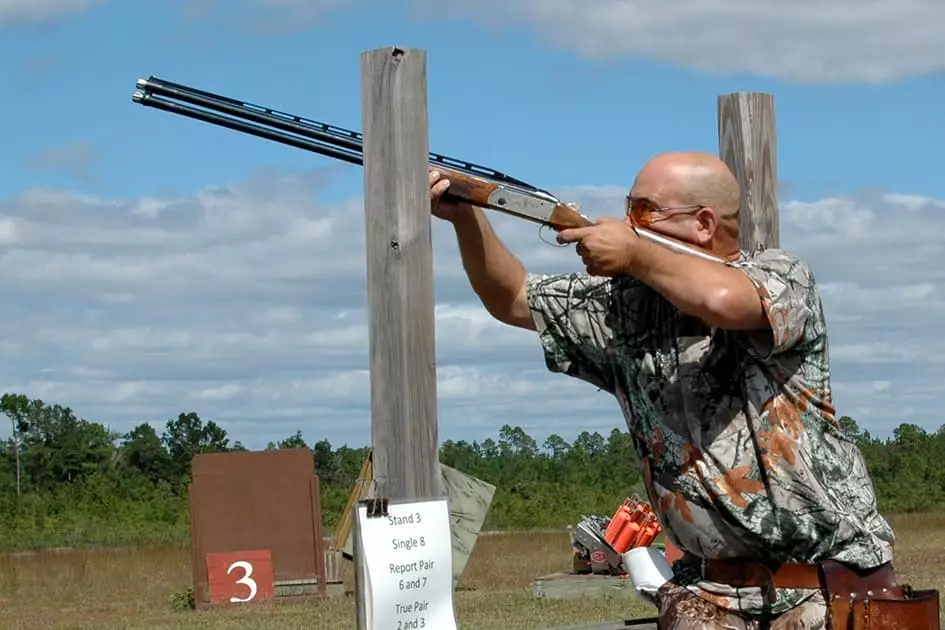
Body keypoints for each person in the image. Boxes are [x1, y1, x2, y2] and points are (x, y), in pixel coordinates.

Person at [428, 151, 897, 629]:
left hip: (826, 589)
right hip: (708, 595)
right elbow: (512, 297)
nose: (626, 222)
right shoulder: (624, 307)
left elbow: (722, 300)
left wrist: (633, 253)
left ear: (704, 223)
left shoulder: (781, 276)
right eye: (629, 207)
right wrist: (468, 217)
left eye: (645, 210)